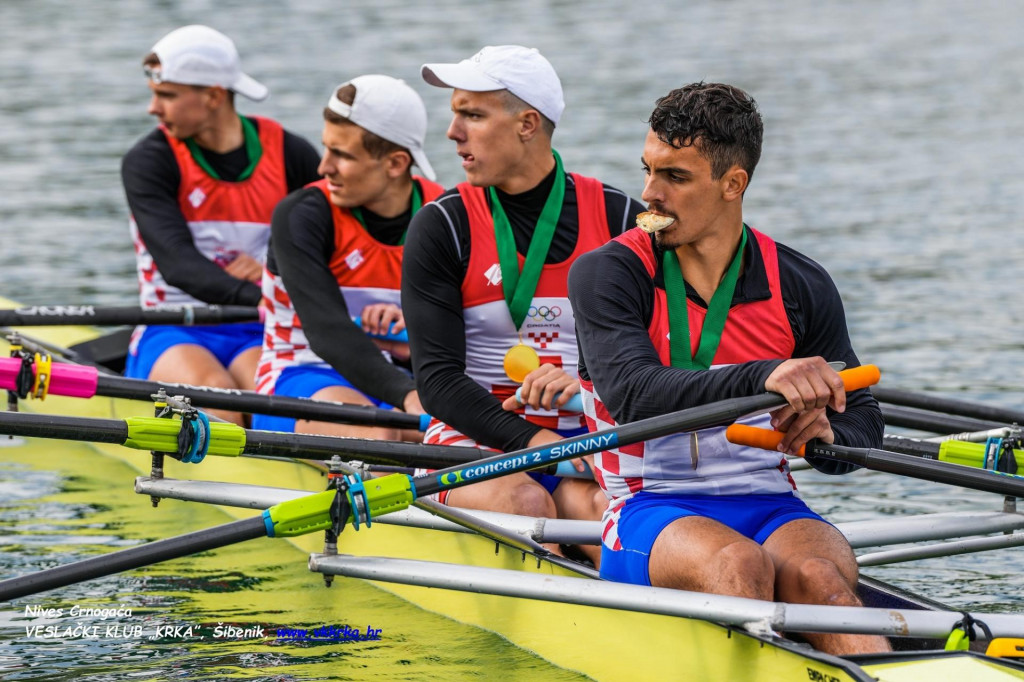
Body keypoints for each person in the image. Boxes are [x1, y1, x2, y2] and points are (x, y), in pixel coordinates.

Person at [567, 82, 890, 654]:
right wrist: (765, 375)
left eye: (675, 177)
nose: (649, 194)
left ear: (733, 184)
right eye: (648, 170)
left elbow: (863, 413)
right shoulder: (609, 273)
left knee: (824, 586)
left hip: (771, 500)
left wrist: (827, 435)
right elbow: (633, 394)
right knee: (738, 564)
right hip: (648, 502)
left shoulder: (798, 282)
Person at [402, 45, 645, 564]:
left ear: (527, 124)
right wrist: (536, 440)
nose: (452, 132)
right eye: (455, 114)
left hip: (587, 432)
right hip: (473, 432)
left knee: (604, 510)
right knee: (524, 500)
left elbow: (656, 353)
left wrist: (587, 385)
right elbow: (437, 381)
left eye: (472, 114)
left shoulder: (623, 218)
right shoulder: (441, 225)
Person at [122, 25, 320, 424]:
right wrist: (263, 289)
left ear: (213, 95)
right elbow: (178, 265)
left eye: (166, 95)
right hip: (176, 327)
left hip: (259, 330)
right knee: (222, 405)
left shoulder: (291, 154)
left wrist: (265, 276)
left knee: (274, 410)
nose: (153, 108)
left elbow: (324, 250)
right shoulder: (150, 161)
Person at [253, 75, 443, 439]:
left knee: (476, 441)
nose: (323, 167)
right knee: (381, 436)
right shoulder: (303, 215)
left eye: (341, 155)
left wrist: (412, 327)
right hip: (303, 375)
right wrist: (407, 394)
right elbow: (328, 332)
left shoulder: (444, 215)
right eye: (327, 149)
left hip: (402, 375)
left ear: (395, 163)